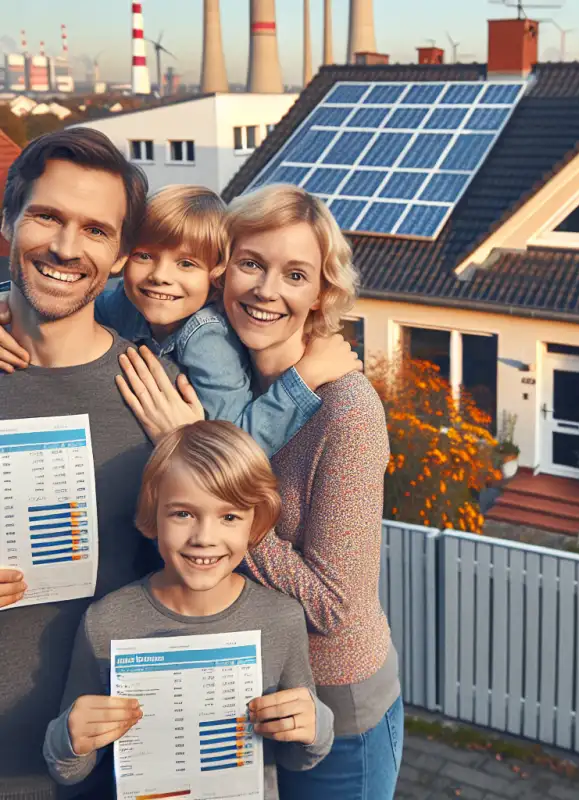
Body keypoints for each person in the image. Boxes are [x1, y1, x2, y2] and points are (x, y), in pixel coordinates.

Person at [116, 185, 403, 800]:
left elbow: (332, 608)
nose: (265, 290)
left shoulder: (345, 411)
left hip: (333, 702)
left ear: (321, 293)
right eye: (251, 264)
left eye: (294, 274)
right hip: (234, 692)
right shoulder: (214, 367)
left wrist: (195, 457)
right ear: (222, 270)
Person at [0, 127, 170, 799]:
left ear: (123, 253)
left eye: (96, 230)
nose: (67, 248)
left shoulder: (155, 391)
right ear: (9, 220)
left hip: (112, 773)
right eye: (47, 216)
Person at [43, 420, 335, 798]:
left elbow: (297, 757)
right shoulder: (106, 622)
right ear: (153, 514)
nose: (204, 538)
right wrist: (67, 737)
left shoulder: (281, 619)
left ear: (255, 523)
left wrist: (316, 725)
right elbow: (70, 770)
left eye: (229, 517)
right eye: (183, 513)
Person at [0, 184, 362, 454]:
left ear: (213, 272)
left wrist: (304, 381)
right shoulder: (128, 301)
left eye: (186, 264)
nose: (160, 275)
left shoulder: (208, 339)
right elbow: (69, 301)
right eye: (145, 256)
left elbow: (239, 446)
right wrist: (8, 303)